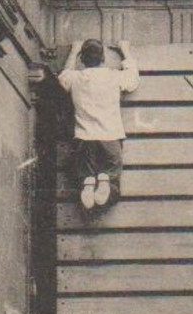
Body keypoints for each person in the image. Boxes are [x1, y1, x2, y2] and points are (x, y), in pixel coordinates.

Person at [58, 38, 139, 211]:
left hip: (84, 138)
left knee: (85, 169)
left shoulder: (76, 78)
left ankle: (88, 182)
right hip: (110, 136)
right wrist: (125, 50)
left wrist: (74, 51)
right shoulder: (113, 76)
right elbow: (132, 80)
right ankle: (105, 180)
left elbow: (64, 76)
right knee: (112, 167)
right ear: (103, 58)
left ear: (82, 59)